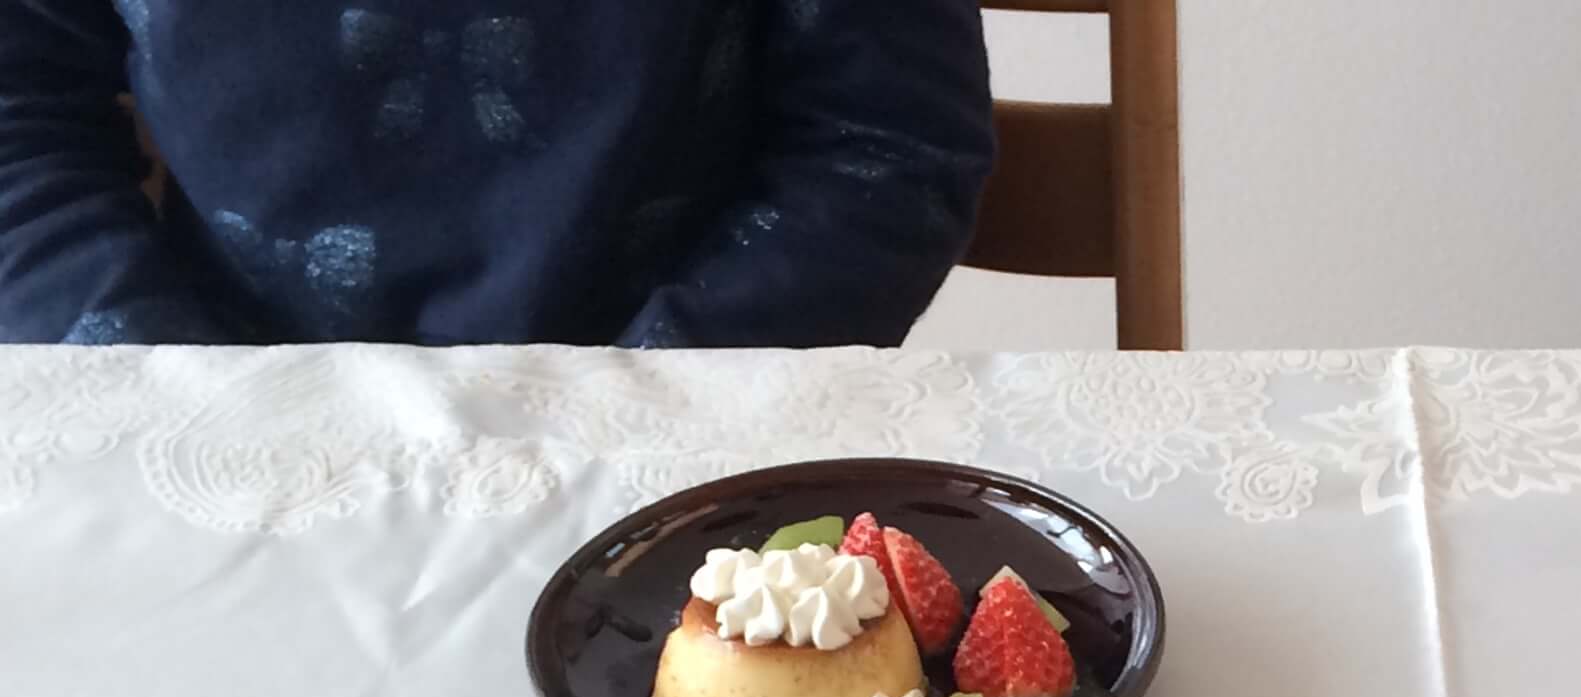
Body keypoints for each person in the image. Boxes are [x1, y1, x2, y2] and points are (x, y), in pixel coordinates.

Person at [0, 0, 1000, 345]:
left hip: (675, 434)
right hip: (218, 405)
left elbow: (888, 146)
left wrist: (645, 412)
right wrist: (184, 396)